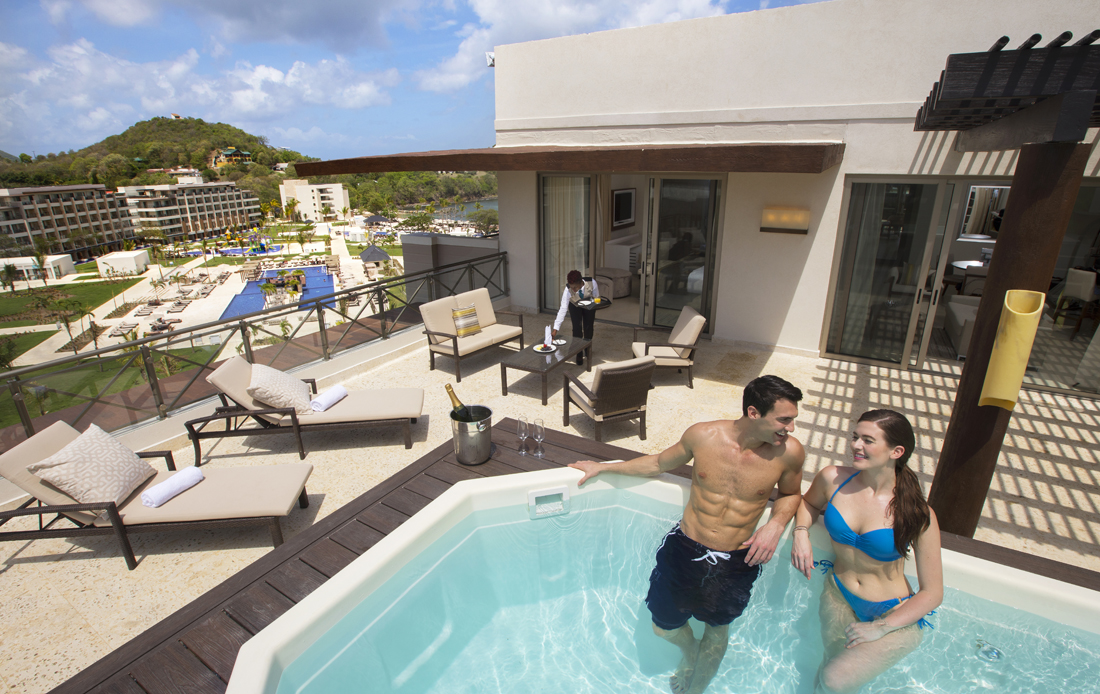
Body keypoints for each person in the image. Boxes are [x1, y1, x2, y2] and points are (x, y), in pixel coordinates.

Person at [570, 375, 806, 694]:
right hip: (685, 548)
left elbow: (791, 495)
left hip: (738, 558)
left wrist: (775, 526)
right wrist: (603, 467)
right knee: (663, 627)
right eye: (784, 420)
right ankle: (691, 650)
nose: (790, 428)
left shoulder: (788, 453)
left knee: (717, 630)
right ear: (753, 413)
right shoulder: (703, 436)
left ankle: (695, 690)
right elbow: (657, 463)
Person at [790, 409, 942, 694]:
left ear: (897, 451)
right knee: (828, 669)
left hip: (892, 610)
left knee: (837, 680)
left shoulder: (917, 512)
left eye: (868, 440)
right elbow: (808, 505)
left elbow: (932, 593)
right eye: (855, 437)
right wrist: (801, 533)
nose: (856, 445)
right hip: (838, 593)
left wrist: (884, 626)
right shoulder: (833, 479)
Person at [551, 269, 600, 365]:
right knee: (577, 328)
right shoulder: (568, 289)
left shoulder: (592, 283)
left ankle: (587, 347)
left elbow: (597, 297)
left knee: (588, 327)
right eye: (571, 287)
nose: (573, 290)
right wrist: (555, 329)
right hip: (574, 305)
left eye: (575, 288)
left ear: (581, 282)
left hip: (589, 305)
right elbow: (563, 308)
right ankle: (578, 352)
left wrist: (595, 304)